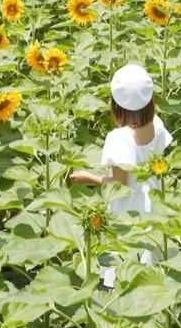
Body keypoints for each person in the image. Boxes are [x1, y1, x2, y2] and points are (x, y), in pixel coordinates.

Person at [69, 63, 173, 287]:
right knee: (149, 260)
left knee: (122, 265)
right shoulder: (156, 123)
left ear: (116, 105)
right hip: (152, 201)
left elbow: (120, 184)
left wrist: (89, 178)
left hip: (128, 208)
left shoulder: (120, 138)